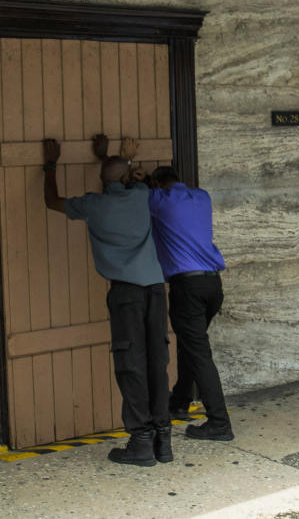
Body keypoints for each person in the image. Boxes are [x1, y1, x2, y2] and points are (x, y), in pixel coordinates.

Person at [42, 134, 171, 466]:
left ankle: (141, 442)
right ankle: (163, 440)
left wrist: (51, 164)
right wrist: (114, 159)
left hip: (126, 294)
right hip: (156, 289)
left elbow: (51, 201)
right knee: (157, 361)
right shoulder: (142, 195)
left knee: (132, 365)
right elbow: (121, 178)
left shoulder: (92, 205)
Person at [146, 164, 233, 442]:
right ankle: (181, 400)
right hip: (212, 285)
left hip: (188, 287)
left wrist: (141, 181)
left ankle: (219, 422)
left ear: (159, 184)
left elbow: (137, 198)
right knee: (190, 343)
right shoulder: (202, 197)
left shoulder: (158, 200)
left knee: (198, 352)